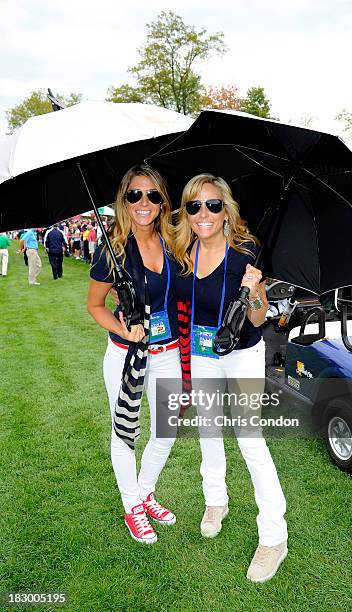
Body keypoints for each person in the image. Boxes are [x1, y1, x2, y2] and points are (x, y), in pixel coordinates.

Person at [174, 173, 288, 583]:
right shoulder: (183, 252)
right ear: (186, 212)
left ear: (226, 210)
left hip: (242, 353)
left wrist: (255, 290)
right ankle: (215, 501)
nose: (203, 214)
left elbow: (258, 317)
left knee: (249, 439)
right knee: (208, 430)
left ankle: (275, 536)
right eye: (194, 206)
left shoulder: (248, 251)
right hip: (204, 354)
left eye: (212, 205)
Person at [87, 164, 181, 544]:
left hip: (168, 350)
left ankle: (145, 491)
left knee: (167, 428)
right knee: (124, 433)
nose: (144, 202)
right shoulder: (111, 247)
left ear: (162, 202)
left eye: (153, 195)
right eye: (135, 195)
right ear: (124, 200)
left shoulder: (174, 240)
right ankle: (132, 507)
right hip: (126, 355)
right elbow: (95, 306)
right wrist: (122, 327)